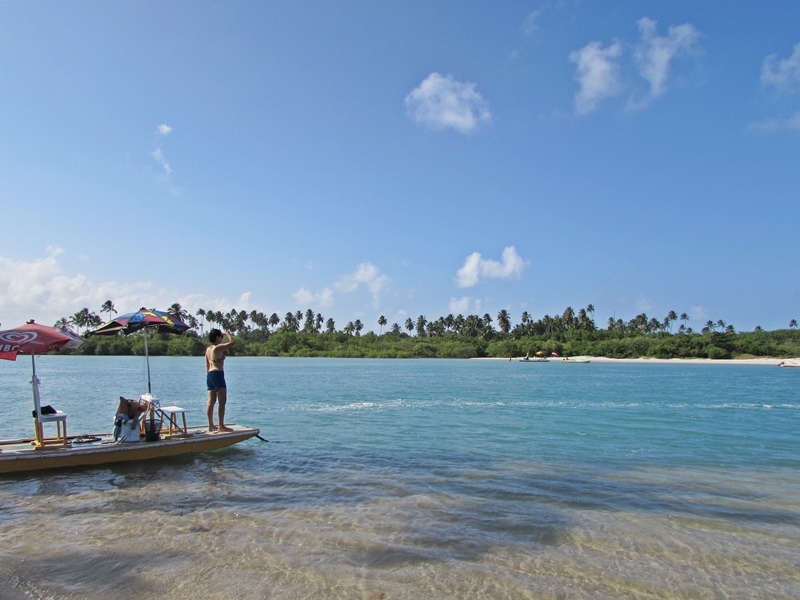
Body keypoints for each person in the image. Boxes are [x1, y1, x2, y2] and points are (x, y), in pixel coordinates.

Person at [205, 329, 235, 432]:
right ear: (217, 337)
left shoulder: (208, 349)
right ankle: (221, 426)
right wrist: (227, 333)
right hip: (217, 374)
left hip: (210, 375)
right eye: (221, 337)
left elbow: (207, 365)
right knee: (222, 401)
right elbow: (232, 342)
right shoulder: (218, 347)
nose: (222, 339)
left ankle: (211, 425)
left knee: (211, 402)